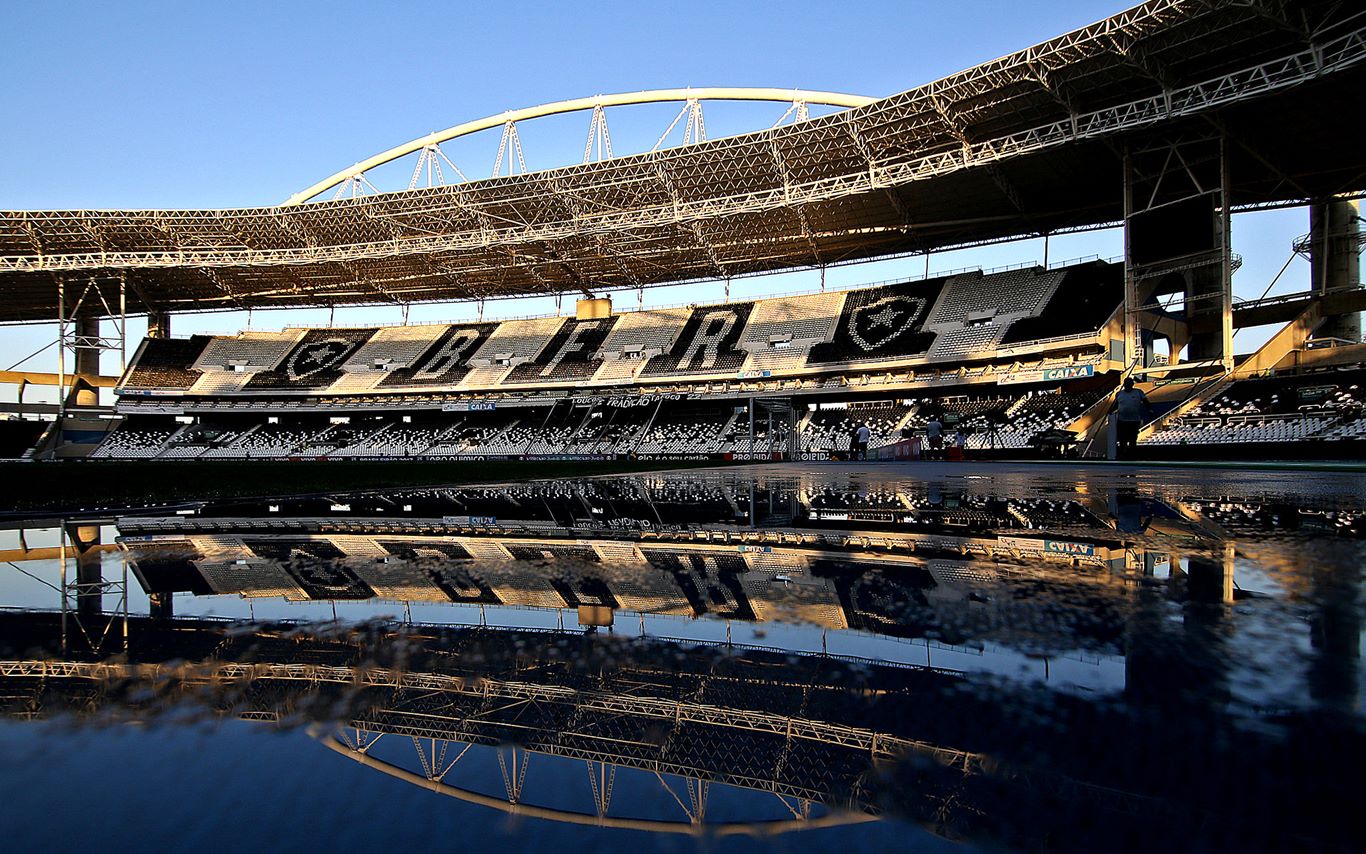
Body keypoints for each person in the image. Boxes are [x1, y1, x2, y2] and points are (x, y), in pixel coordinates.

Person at [1111, 377, 1151, 460]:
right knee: (1122, 439)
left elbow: (1146, 401)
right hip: (1122, 420)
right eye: (1126, 384)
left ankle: (1132, 455)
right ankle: (1122, 455)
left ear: (1132, 384)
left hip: (1134, 420)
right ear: (1124, 385)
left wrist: (1150, 409)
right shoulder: (1119, 394)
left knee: (1132, 439)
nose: (1127, 385)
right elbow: (1116, 404)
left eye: (1129, 384)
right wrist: (1110, 411)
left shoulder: (1138, 392)